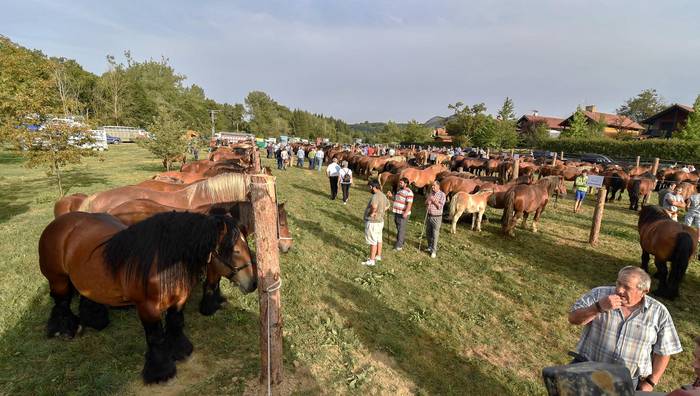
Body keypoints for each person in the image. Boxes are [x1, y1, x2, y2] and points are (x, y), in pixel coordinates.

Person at [568, 266, 682, 392]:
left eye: (626, 287)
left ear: (644, 291)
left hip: (626, 382)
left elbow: (664, 351)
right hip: (587, 372)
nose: (619, 290)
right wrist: (598, 307)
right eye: (618, 283)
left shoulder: (659, 313)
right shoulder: (599, 294)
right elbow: (573, 318)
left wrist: (650, 382)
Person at [362, 180, 389, 266]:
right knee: (378, 239)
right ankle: (378, 255)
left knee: (373, 241)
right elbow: (388, 205)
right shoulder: (383, 195)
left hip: (373, 222)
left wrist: (372, 213)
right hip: (380, 221)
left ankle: (372, 260)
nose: (369, 188)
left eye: (370, 187)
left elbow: (374, 206)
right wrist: (380, 212)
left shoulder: (375, 196)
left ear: (374, 187)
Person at [387, 177, 413, 251]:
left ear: (406, 184)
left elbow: (409, 204)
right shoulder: (399, 191)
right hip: (397, 212)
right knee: (399, 228)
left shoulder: (409, 192)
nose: (399, 184)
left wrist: (405, 212)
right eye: (400, 182)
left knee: (401, 228)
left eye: (401, 183)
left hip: (403, 213)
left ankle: (399, 246)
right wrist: (391, 196)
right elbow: (396, 199)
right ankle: (401, 241)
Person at [425, 180, 446, 258]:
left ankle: (434, 251)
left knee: (435, 234)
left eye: (434, 186)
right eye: (432, 186)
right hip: (429, 215)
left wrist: (433, 201)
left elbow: (440, 206)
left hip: (437, 217)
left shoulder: (442, 195)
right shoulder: (431, 193)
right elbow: (426, 203)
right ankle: (430, 246)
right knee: (428, 233)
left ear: (438, 186)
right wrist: (428, 200)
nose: (432, 187)